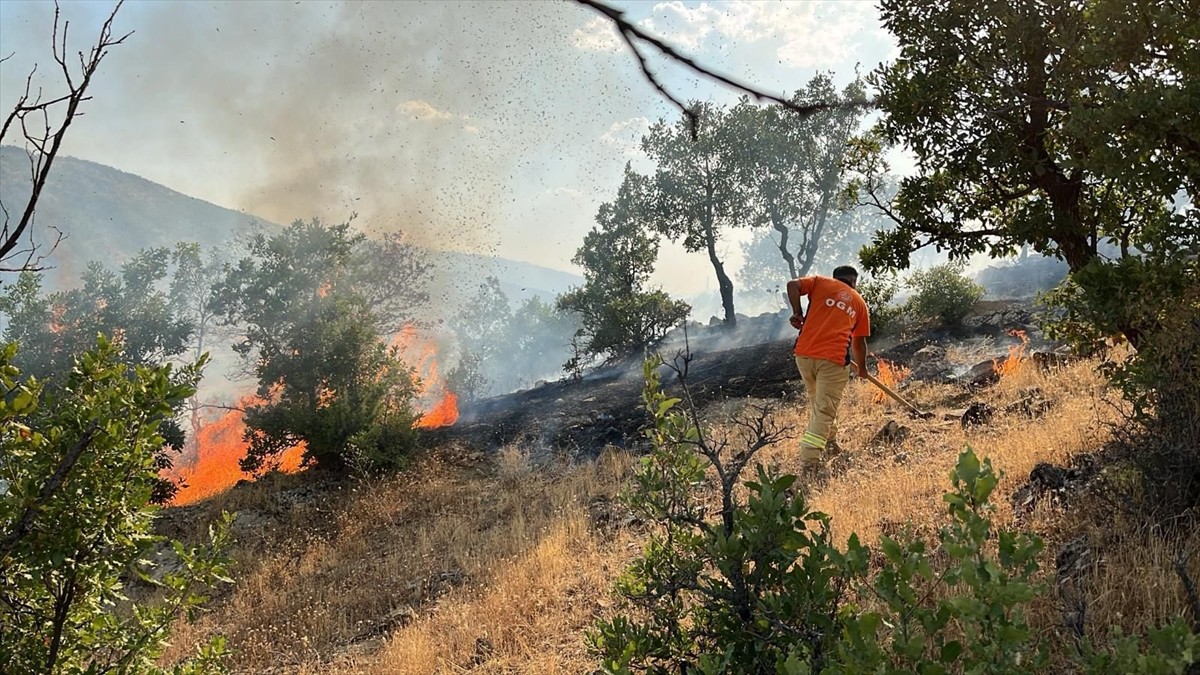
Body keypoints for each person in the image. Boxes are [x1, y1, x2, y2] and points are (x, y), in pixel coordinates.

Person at [786, 265, 870, 481]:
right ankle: (809, 462)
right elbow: (859, 344)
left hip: (803, 355)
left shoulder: (820, 283)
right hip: (832, 361)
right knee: (824, 409)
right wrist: (862, 368)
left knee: (819, 403)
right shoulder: (859, 302)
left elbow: (792, 285)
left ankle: (830, 444)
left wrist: (797, 312)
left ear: (836, 278)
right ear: (854, 281)